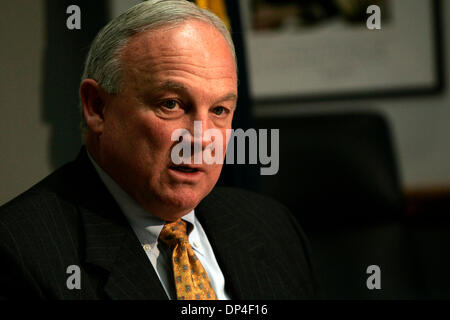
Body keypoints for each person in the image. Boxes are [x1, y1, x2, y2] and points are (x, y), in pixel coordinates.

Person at [0, 0, 317, 300]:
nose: (202, 138)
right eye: (171, 104)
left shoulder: (271, 226)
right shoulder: (20, 250)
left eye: (219, 110)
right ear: (97, 107)